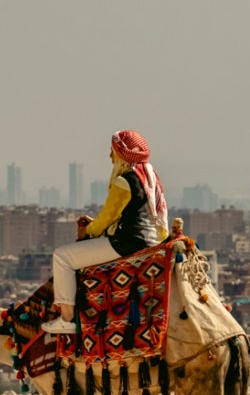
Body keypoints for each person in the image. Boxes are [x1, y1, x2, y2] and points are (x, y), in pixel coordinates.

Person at [42, 129, 168, 336]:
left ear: (122, 154)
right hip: (150, 241)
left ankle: (66, 319)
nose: (110, 157)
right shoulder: (149, 177)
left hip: (128, 242)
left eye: (113, 152)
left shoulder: (124, 182)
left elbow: (104, 222)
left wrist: (88, 229)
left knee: (62, 256)